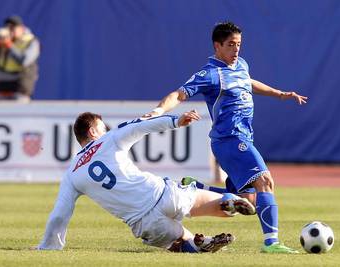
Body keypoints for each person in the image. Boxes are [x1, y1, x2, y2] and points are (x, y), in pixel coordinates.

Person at [143, 22, 308, 253]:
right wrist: (160, 110)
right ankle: (272, 243)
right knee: (266, 182)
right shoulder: (210, 74)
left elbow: (248, 82)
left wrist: (279, 94)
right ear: (217, 46)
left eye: (239, 44)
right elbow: (179, 94)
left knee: (248, 201)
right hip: (230, 140)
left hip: (242, 139)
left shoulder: (240, 64)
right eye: (231, 45)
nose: (236, 49)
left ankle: (195, 186)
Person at [36, 110, 256, 253]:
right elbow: (140, 126)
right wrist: (175, 121)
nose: (107, 130)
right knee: (222, 207)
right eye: (103, 127)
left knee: (178, 244)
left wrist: (48, 247)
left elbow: (59, 215)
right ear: (94, 131)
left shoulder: (72, 173)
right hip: (161, 194)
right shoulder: (108, 140)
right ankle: (228, 203)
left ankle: (198, 243)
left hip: (143, 223)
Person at [0, 15, 40, 102]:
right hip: (2, 88)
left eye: (13, 28)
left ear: (21, 28)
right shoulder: (4, 41)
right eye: (8, 28)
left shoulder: (31, 42)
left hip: (20, 88)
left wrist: (9, 46)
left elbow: (24, 61)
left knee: (19, 114)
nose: (10, 31)